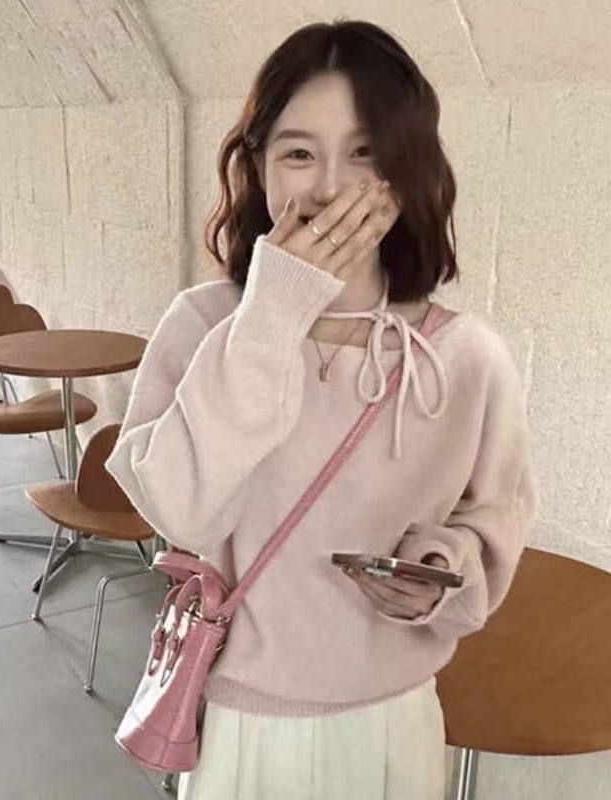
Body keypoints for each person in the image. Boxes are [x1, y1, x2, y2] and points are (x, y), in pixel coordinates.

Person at [106, 19, 535, 800]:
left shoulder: (468, 356)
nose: (331, 188)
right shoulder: (203, 325)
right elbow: (178, 510)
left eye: (366, 153)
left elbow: (495, 518)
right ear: (258, 167)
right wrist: (272, 316)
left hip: (390, 717)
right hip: (241, 717)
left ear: (410, 168)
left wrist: (445, 567)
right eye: (299, 154)